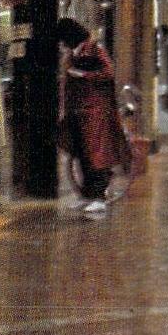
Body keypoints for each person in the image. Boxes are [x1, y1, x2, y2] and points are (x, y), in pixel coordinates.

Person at [56, 17, 131, 215]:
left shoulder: (94, 50)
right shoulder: (74, 53)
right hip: (78, 111)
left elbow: (108, 72)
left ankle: (99, 196)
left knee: (96, 154)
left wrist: (84, 75)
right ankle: (87, 194)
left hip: (95, 112)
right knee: (82, 154)